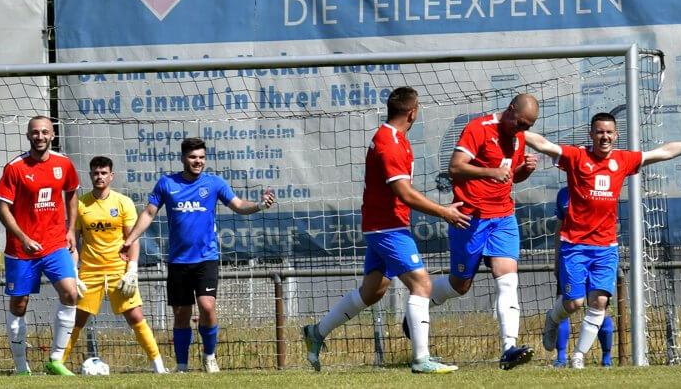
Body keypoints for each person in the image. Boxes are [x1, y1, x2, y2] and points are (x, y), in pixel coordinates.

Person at [301, 87, 471, 373]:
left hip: (385, 225)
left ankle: (316, 332)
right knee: (422, 284)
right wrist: (444, 212)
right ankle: (421, 359)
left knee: (372, 291)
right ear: (413, 112)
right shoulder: (390, 143)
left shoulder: (396, 139)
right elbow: (404, 193)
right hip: (387, 228)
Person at [529, 113, 681, 369]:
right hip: (574, 246)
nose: (605, 136)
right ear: (591, 135)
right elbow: (544, 145)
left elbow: (664, 152)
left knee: (600, 303)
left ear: (616, 136)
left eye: (609, 132)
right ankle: (552, 319)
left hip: (606, 247)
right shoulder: (577, 157)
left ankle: (578, 358)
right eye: (600, 132)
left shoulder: (623, 160)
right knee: (573, 303)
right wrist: (514, 129)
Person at [122, 137, 276, 373]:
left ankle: (209, 356)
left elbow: (237, 205)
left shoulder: (214, 183)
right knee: (182, 313)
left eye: (202, 157)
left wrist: (260, 205)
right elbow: (149, 213)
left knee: (207, 307)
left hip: (206, 258)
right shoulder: (166, 184)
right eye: (193, 157)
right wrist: (129, 240)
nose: (198, 161)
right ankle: (182, 366)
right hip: (178, 261)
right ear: (183, 158)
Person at [423, 94, 540, 370]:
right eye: (520, 123)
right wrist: (490, 172)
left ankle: (509, 348)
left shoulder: (519, 136)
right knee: (459, 286)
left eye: (527, 127)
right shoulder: (478, 128)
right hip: (470, 218)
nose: (522, 130)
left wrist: (525, 171)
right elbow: (454, 168)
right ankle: (420, 302)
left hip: (503, 217)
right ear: (510, 110)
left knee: (508, 280)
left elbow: (510, 175)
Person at [63, 156, 168, 373]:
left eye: (103, 173)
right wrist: (74, 271)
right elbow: (72, 241)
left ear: (111, 176)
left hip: (118, 269)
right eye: (95, 173)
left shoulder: (123, 202)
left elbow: (132, 239)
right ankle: (57, 363)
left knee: (136, 316)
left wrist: (132, 270)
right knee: (76, 319)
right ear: (90, 175)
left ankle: (159, 365)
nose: (99, 177)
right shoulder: (81, 204)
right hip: (90, 271)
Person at [0, 116, 81, 376]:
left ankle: (55, 360)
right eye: (35, 133)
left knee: (70, 293)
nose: (40, 136)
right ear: (28, 136)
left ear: (52, 135)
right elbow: (2, 208)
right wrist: (23, 238)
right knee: (19, 304)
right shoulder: (15, 167)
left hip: (55, 244)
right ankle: (21, 366)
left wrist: (71, 230)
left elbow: (72, 193)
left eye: (45, 132)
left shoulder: (63, 164)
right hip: (22, 250)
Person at [550, 186, 614, 368]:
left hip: (597, 255)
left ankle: (606, 360)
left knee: (601, 306)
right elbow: (559, 227)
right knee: (566, 303)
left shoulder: (601, 190)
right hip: (570, 257)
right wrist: (557, 258)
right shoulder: (563, 193)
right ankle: (561, 358)